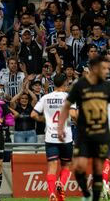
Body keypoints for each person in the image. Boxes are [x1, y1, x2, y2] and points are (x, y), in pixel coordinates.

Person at [57, 56, 110, 201]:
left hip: (103, 133)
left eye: (107, 69)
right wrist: (60, 127)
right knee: (79, 167)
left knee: (99, 167)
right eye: (104, 68)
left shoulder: (108, 87)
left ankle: (97, 192)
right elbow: (66, 106)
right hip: (84, 134)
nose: (107, 71)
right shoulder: (80, 85)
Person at [31, 73, 76, 201]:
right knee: (66, 166)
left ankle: (51, 193)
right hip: (65, 137)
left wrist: (44, 119)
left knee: (52, 167)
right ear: (65, 84)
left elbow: (33, 115)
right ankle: (61, 184)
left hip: (50, 137)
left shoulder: (45, 97)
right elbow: (73, 114)